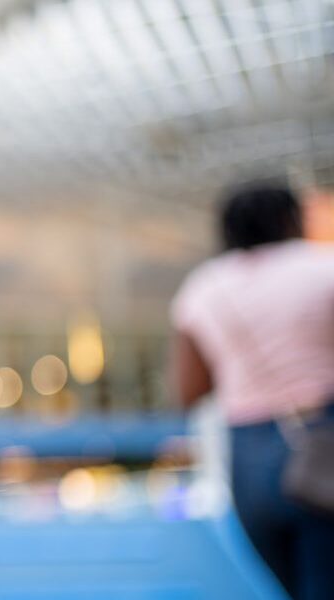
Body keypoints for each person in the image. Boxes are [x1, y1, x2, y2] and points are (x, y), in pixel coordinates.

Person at [171, 182, 334, 600]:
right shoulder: (323, 267)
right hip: (324, 436)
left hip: (248, 454)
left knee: (292, 586)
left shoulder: (203, 287)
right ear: (291, 218)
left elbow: (190, 390)